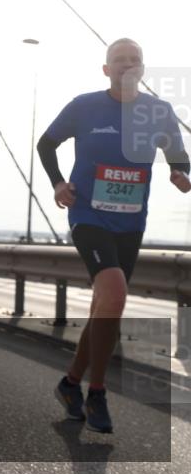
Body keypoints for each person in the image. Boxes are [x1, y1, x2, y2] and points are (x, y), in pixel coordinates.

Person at [39, 38, 189, 433]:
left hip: (130, 222)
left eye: (134, 60)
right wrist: (57, 184)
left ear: (142, 69)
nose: (127, 65)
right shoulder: (84, 106)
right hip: (88, 215)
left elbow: (178, 153)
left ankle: (70, 383)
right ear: (106, 69)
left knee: (104, 305)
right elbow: (46, 143)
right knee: (116, 294)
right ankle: (97, 393)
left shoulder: (158, 111)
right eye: (118, 60)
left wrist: (179, 172)